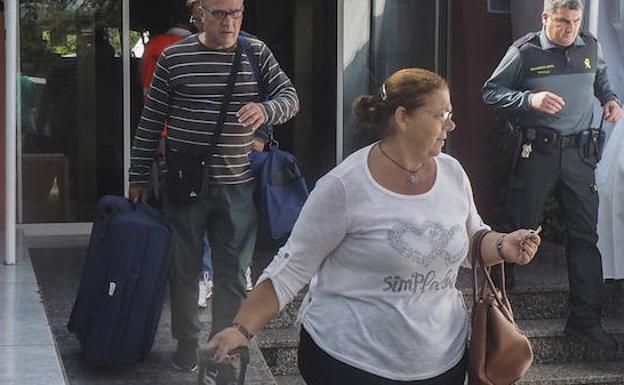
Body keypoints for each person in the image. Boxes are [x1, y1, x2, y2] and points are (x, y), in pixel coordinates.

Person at [207, 68, 541, 385]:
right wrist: (242, 329)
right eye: (441, 115)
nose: (450, 125)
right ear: (402, 118)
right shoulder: (344, 186)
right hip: (349, 363)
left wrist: (502, 245)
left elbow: (470, 239)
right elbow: (290, 267)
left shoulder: (453, 173)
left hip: (442, 363)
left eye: (450, 115)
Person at [128, 0, 299, 373]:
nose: (230, 21)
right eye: (220, 13)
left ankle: (225, 347)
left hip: (238, 185)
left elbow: (290, 99)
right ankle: (187, 344)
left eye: (236, 12)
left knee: (233, 273)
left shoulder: (255, 52)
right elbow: (151, 119)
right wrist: (138, 175)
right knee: (185, 269)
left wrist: (266, 110)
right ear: (199, 14)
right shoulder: (175, 58)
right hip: (186, 184)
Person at [482, 0, 622, 352]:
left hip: (579, 156)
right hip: (538, 153)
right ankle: (497, 320)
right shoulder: (525, 51)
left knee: (585, 239)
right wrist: (530, 100)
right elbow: (491, 92)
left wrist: (610, 99)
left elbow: (602, 79)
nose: (570, 29)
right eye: (562, 22)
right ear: (545, 17)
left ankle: (585, 324)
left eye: (575, 21)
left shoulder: (590, 44)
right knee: (515, 231)